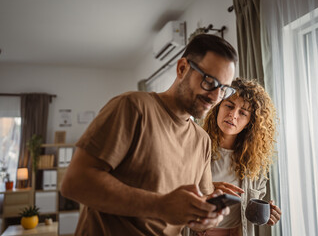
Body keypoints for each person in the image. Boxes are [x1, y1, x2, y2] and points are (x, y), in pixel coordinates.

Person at [60, 34, 239, 235]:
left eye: (223, 89)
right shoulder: (132, 107)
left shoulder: (202, 141)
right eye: (209, 81)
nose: (216, 97)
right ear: (182, 68)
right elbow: (75, 182)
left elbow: (200, 207)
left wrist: (207, 217)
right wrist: (160, 205)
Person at [199, 78, 282, 236]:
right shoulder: (197, 147)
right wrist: (207, 189)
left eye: (242, 113)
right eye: (229, 105)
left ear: (250, 123)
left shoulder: (255, 163)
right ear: (217, 107)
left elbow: (250, 211)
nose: (232, 115)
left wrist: (269, 214)